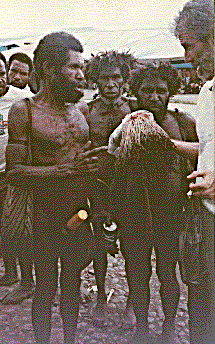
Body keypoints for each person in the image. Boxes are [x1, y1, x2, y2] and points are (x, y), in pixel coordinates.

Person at [5, 31, 107, 344]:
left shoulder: (82, 112)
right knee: (46, 287)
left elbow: (89, 167)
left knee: (73, 284)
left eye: (81, 68)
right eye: (74, 68)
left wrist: (101, 210)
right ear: (50, 70)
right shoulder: (25, 111)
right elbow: (15, 172)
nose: (81, 75)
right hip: (43, 216)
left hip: (79, 214)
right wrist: (64, 170)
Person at [110, 63, 198, 344]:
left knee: (168, 274)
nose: (154, 96)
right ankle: (142, 328)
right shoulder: (129, 124)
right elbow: (116, 170)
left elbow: (200, 161)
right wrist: (113, 213)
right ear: (135, 92)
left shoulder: (184, 122)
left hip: (172, 213)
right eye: (147, 91)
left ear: (171, 91)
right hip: (134, 212)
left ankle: (169, 327)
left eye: (161, 91)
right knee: (137, 274)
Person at [85, 50, 137, 326]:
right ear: (95, 80)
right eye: (104, 78)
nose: (110, 84)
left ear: (125, 79)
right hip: (97, 188)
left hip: (129, 189)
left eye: (116, 77)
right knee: (99, 245)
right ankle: (101, 298)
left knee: (132, 247)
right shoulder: (87, 111)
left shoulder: (136, 109)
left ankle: (132, 303)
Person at [173, 1, 214, 343]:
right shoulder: (206, 92)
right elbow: (207, 151)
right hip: (206, 215)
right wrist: (165, 143)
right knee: (200, 303)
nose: (187, 58)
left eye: (189, 46)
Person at [0, 51, 34, 304]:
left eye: (2, 74)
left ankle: (27, 281)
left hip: (13, 175)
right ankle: (9, 273)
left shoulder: (21, 99)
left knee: (18, 228)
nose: (1, 79)